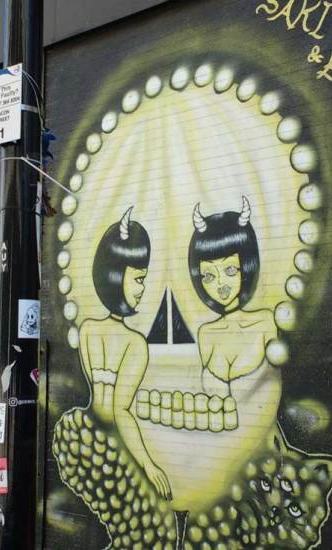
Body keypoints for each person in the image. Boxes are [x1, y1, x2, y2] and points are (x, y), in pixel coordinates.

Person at [53, 208, 177, 549]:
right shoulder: (135, 344)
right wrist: (149, 465)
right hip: (106, 446)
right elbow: (120, 411)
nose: (142, 288)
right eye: (138, 278)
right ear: (115, 275)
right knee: (150, 528)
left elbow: (96, 391)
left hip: (78, 433)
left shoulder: (88, 330)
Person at [188, 197, 277, 397]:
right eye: (209, 276)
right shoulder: (205, 334)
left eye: (229, 270)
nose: (220, 284)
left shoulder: (266, 322)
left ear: (246, 266)